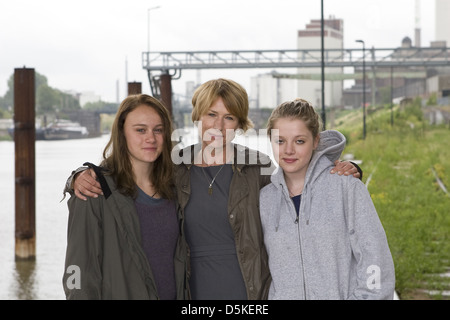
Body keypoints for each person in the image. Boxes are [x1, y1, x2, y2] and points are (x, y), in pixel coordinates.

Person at [68, 79, 361, 300]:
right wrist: (77, 177)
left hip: (248, 289)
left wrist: (343, 171)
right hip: (193, 291)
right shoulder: (173, 168)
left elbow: (300, 187)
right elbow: (125, 176)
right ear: (197, 117)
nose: (218, 126)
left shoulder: (258, 168)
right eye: (211, 115)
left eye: (229, 117)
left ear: (240, 123)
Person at [260, 98, 395, 300]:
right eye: (280, 141)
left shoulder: (346, 187)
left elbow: (375, 259)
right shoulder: (265, 199)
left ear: (315, 141)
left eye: (299, 141)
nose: (288, 150)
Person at [62, 94, 187, 300]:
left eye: (158, 130)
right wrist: (74, 178)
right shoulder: (94, 191)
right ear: (122, 133)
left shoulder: (177, 187)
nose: (151, 138)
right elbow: (77, 274)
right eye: (140, 130)